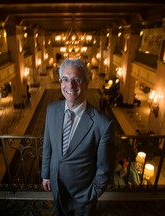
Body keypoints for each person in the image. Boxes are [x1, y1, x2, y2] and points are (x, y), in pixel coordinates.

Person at [41, 58, 114, 216]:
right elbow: (47, 146)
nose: (70, 85)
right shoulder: (51, 110)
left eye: (77, 80)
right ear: (60, 82)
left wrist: (91, 194)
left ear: (86, 83)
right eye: (65, 79)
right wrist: (46, 175)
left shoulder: (103, 124)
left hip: (83, 196)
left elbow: (105, 168)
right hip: (56, 186)